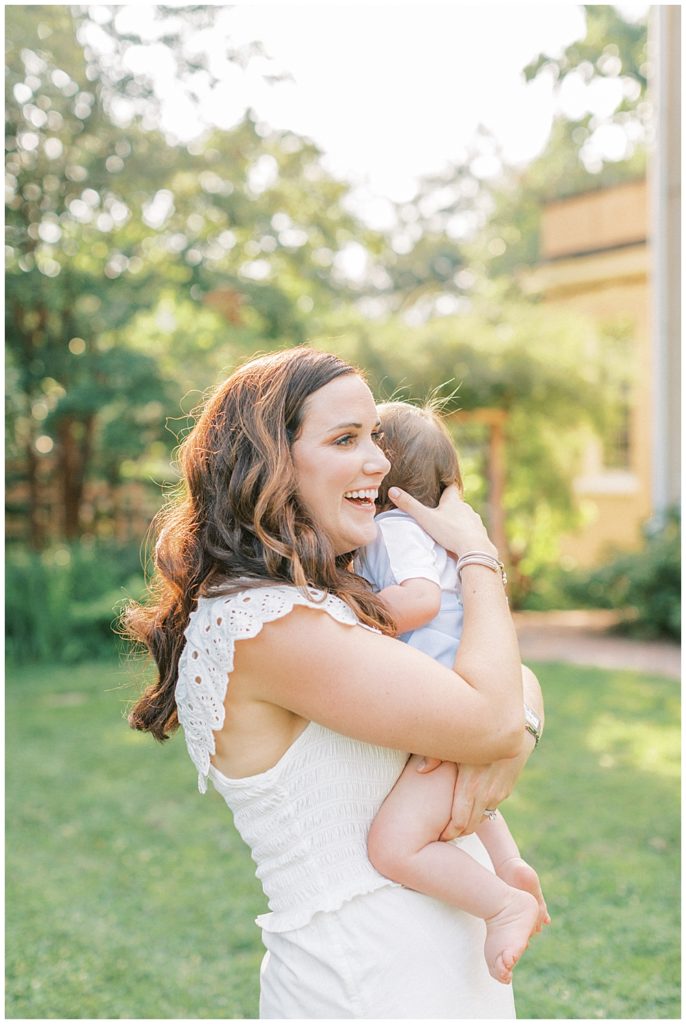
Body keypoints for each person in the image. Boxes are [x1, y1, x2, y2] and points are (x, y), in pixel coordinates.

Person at [124, 346, 544, 1019]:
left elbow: (500, 687)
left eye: (375, 437)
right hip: (367, 983)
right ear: (269, 464)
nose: (378, 463)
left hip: (433, 970)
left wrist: (520, 723)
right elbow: (488, 716)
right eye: (346, 439)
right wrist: (475, 554)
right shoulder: (271, 625)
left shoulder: (318, 606)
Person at [355, 401, 550, 986]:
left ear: (382, 481)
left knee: (396, 847)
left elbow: (420, 600)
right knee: (469, 794)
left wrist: (350, 610)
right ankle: (511, 866)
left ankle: (502, 903)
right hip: (462, 693)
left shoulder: (394, 530)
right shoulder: (433, 536)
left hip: (451, 698)